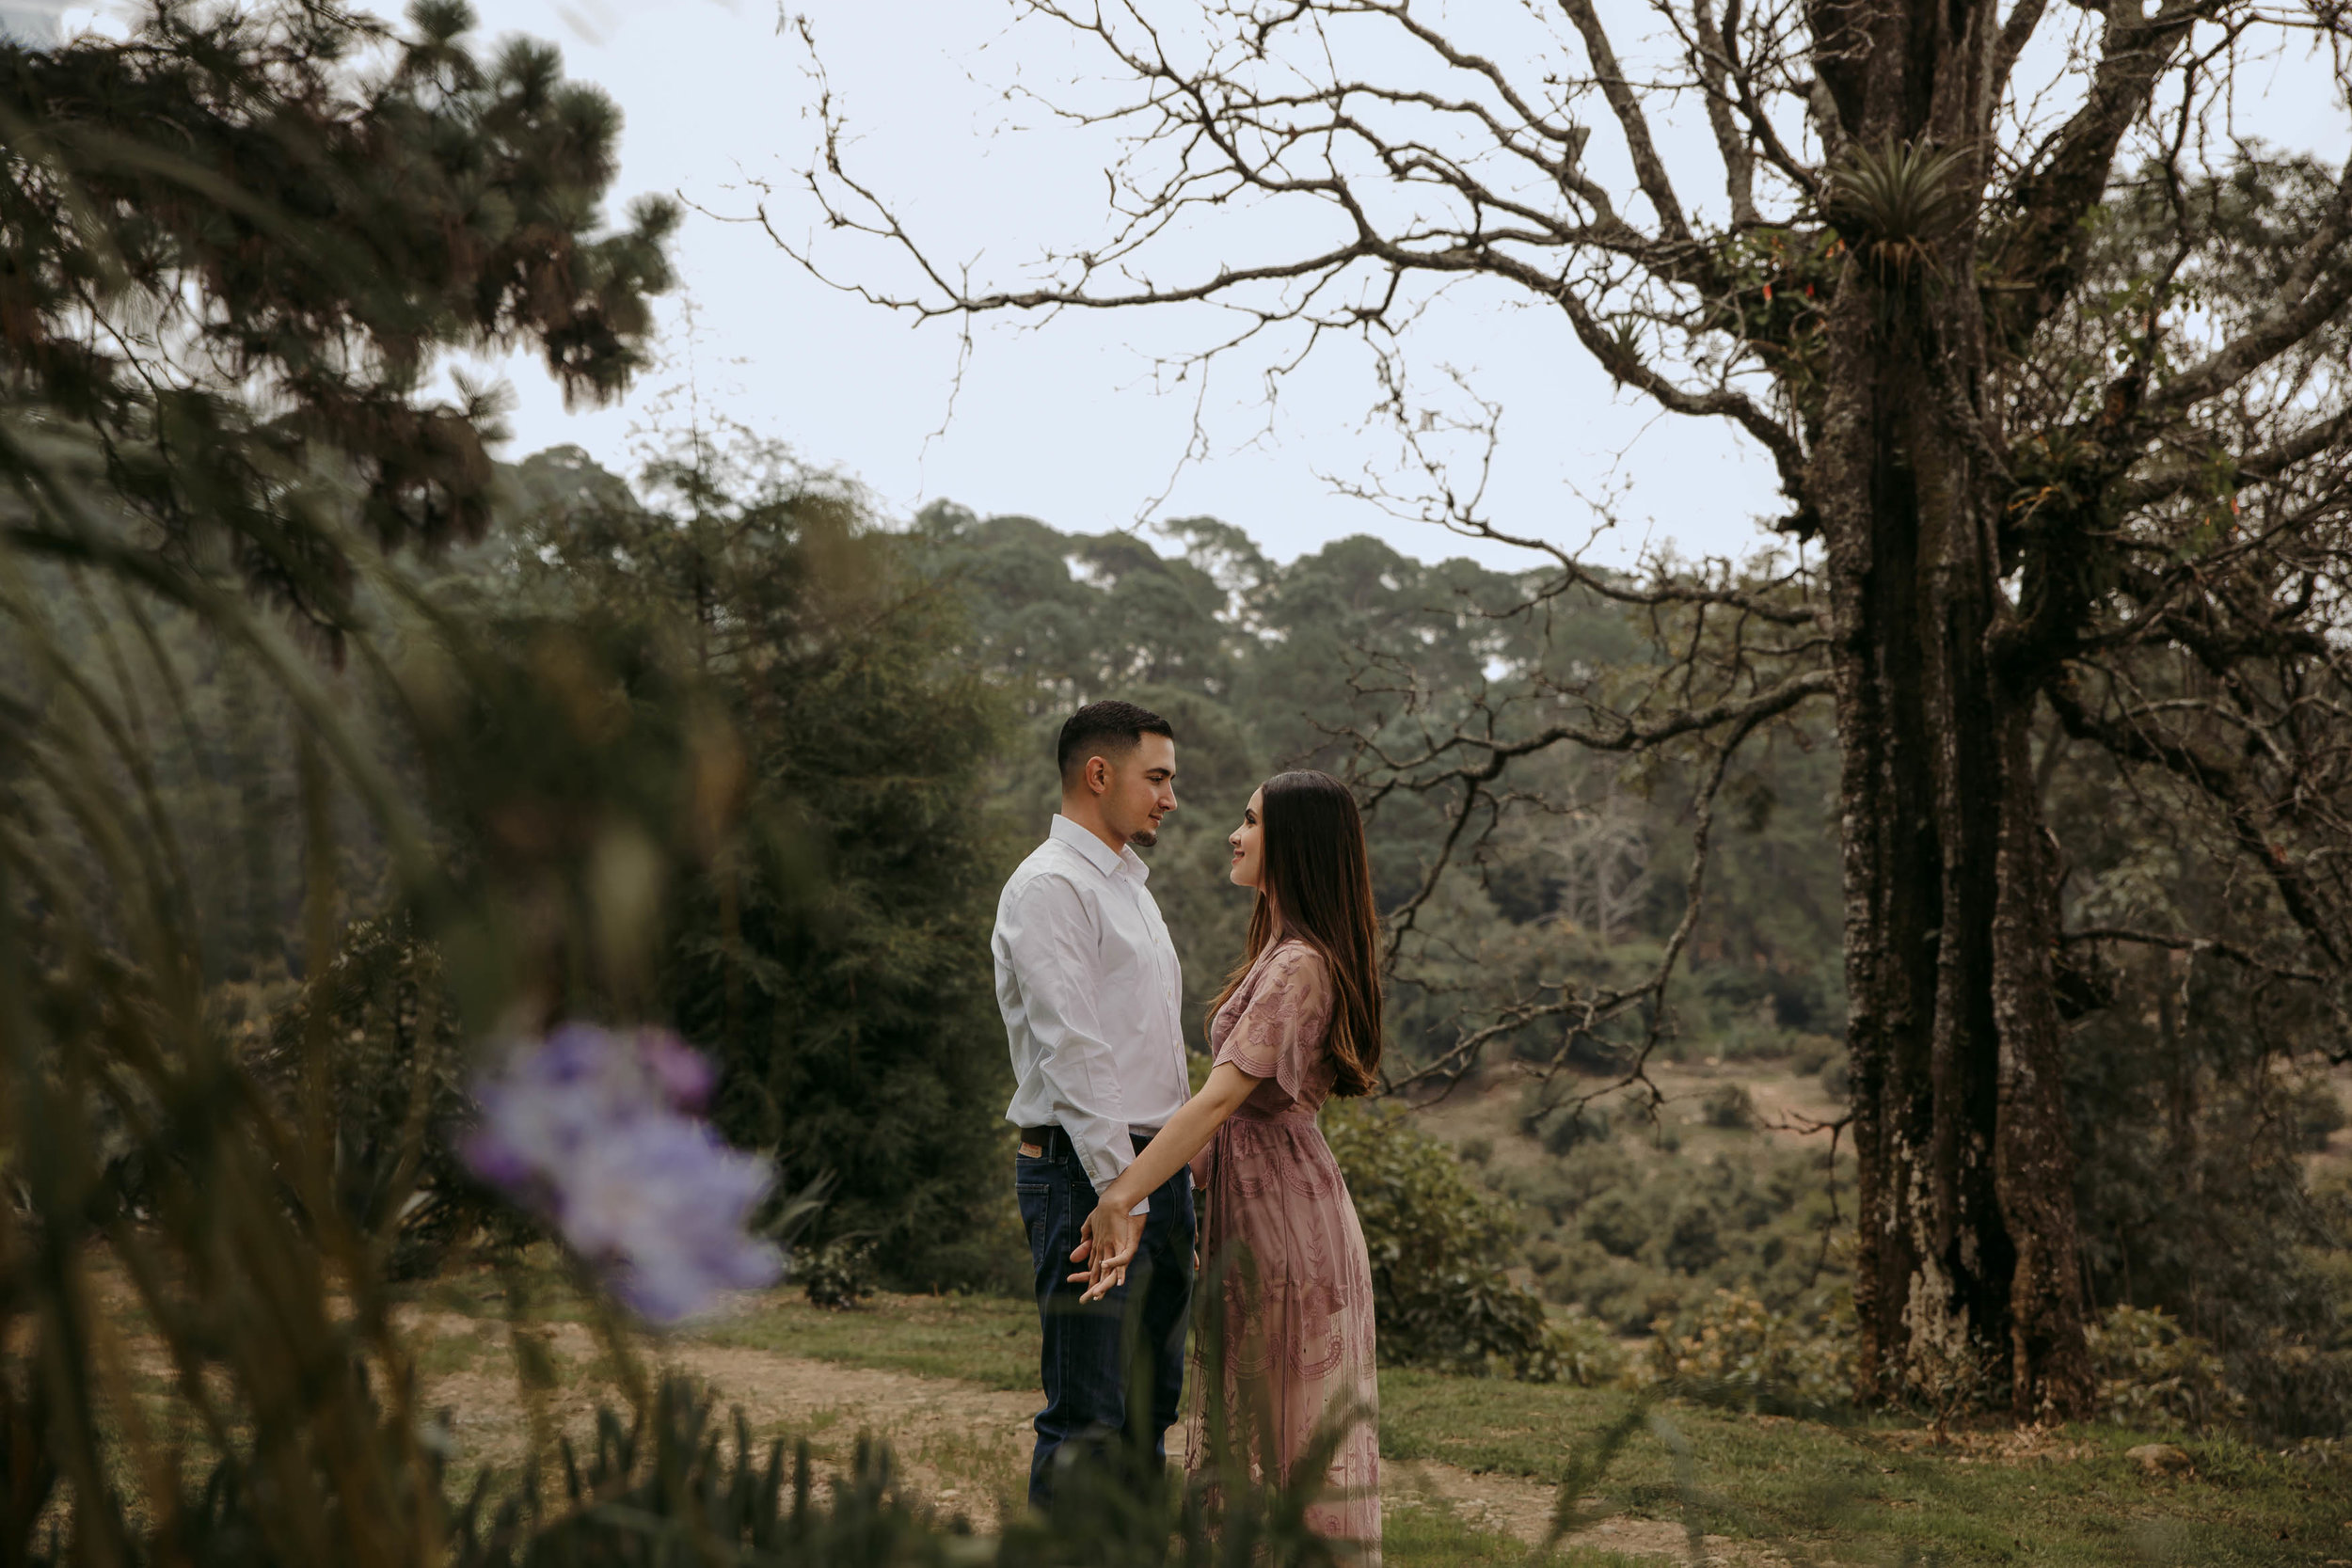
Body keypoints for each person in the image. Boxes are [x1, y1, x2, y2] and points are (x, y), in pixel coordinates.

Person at [1073, 768, 1383, 1560]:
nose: (1234, 834)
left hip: (1287, 1223)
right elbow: (1226, 1121)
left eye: (1250, 820)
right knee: (1261, 1448)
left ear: (1295, 844)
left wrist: (1123, 1196)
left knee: (1287, 1457)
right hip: (1263, 1205)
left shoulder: (1298, 965)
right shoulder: (1281, 950)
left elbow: (1217, 1103)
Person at [993, 700, 1195, 1512]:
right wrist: (1125, 1191)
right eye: (1158, 777)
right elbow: (1075, 1052)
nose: (1171, 798)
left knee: (1149, 1411)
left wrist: (1169, 1176)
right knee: (1087, 1417)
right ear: (1099, 774)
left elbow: (1155, 1052)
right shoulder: (1048, 887)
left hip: (1154, 1175)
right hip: (1090, 1179)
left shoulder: (1132, 890)